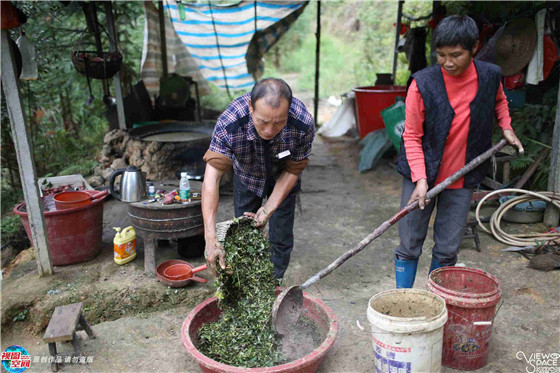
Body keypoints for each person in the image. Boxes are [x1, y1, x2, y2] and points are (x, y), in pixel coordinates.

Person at [393, 15, 524, 288]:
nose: (448, 62)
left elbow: (500, 102)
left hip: (462, 177)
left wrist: (506, 127)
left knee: (447, 248)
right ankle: (404, 301)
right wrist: (420, 179)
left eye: (455, 55)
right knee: (409, 243)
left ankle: (436, 301)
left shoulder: (490, 76)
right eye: (441, 55)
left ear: (474, 47)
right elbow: (412, 136)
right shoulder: (422, 83)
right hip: (422, 177)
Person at [201, 78, 315, 279]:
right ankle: (246, 280)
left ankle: (274, 280)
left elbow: (293, 170)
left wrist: (269, 208)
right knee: (242, 234)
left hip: (283, 176)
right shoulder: (230, 123)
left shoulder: (302, 123)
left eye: (279, 122)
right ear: (250, 108)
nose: (270, 131)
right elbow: (211, 179)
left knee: (280, 234)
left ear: (288, 113)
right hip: (247, 177)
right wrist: (210, 238)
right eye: (263, 121)